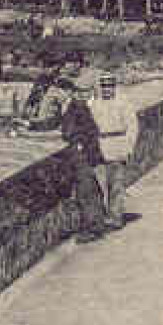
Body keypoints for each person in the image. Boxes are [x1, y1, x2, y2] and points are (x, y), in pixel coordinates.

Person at [59, 72, 109, 242]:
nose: (76, 93)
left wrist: (80, 143)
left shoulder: (80, 108)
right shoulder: (74, 106)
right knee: (86, 190)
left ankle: (92, 228)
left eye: (81, 91)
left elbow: (91, 131)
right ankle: (93, 225)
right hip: (82, 153)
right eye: (75, 90)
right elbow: (59, 123)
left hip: (83, 154)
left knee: (86, 190)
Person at [91, 71, 137, 229]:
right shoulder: (94, 103)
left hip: (117, 145)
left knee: (116, 184)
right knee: (100, 184)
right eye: (104, 86)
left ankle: (115, 217)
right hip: (99, 147)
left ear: (114, 87)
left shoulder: (123, 103)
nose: (106, 90)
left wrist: (128, 148)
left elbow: (132, 127)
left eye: (110, 86)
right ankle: (103, 216)